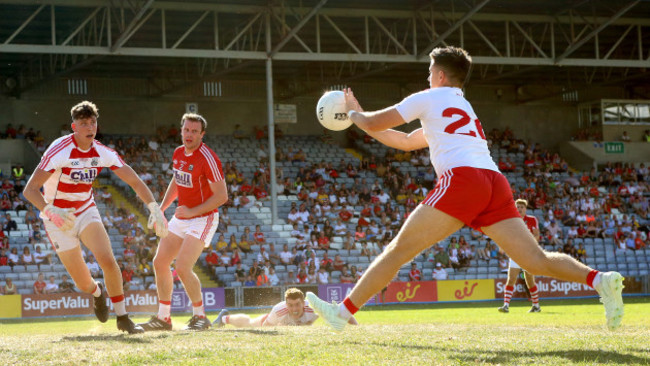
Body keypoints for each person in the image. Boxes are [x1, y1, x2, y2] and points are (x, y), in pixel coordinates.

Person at [306, 46, 624, 332]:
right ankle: (601, 280)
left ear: (440, 75)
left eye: (430, 72)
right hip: (493, 181)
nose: (427, 77)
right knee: (535, 261)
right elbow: (402, 141)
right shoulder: (463, 107)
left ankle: (341, 313)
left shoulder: (429, 97)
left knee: (398, 251)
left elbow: (375, 123)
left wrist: (352, 112)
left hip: (463, 180)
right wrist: (360, 116)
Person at [22, 101, 168, 334]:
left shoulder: (101, 151)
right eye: (84, 123)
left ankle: (123, 317)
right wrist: (50, 210)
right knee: (82, 283)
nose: (90, 127)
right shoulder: (59, 150)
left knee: (108, 260)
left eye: (93, 122)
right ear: (74, 127)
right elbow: (29, 190)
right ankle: (97, 292)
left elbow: (133, 180)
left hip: (86, 210)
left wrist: (153, 206)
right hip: (58, 218)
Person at [139, 113, 227, 332]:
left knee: (182, 266)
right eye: (186, 130)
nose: (189, 134)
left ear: (202, 134)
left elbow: (222, 196)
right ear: (181, 130)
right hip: (183, 216)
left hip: (203, 217)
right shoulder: (178, 152)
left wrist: (191, 211)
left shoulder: (208, 157)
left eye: (194, 131)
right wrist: (162, 207)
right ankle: (163, 318)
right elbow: (177, 181)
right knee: (159, 263)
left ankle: (200, 317)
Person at [212, 288, 357, 328]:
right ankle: (224, 318)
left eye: (297, 304)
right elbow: (264, 330)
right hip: (270, 321)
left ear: (304, 303)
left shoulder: (313, 308)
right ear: (286, 304)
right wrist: (278, 328)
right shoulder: (278, 310)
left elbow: (343, 312)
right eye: (290, 305)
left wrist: (357, 329)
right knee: (250, 324)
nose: (294, 308)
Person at [499, 199, 542, 313]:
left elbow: (537, 235)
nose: (519, 208)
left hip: (528, 254)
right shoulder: (512, 221)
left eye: (522, 207)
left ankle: (536, 306)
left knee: (530, 280)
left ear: (525, 208)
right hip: (515, 253)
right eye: (517, 207)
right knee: (511, 278)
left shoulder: (532, 219)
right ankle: (506, 306)